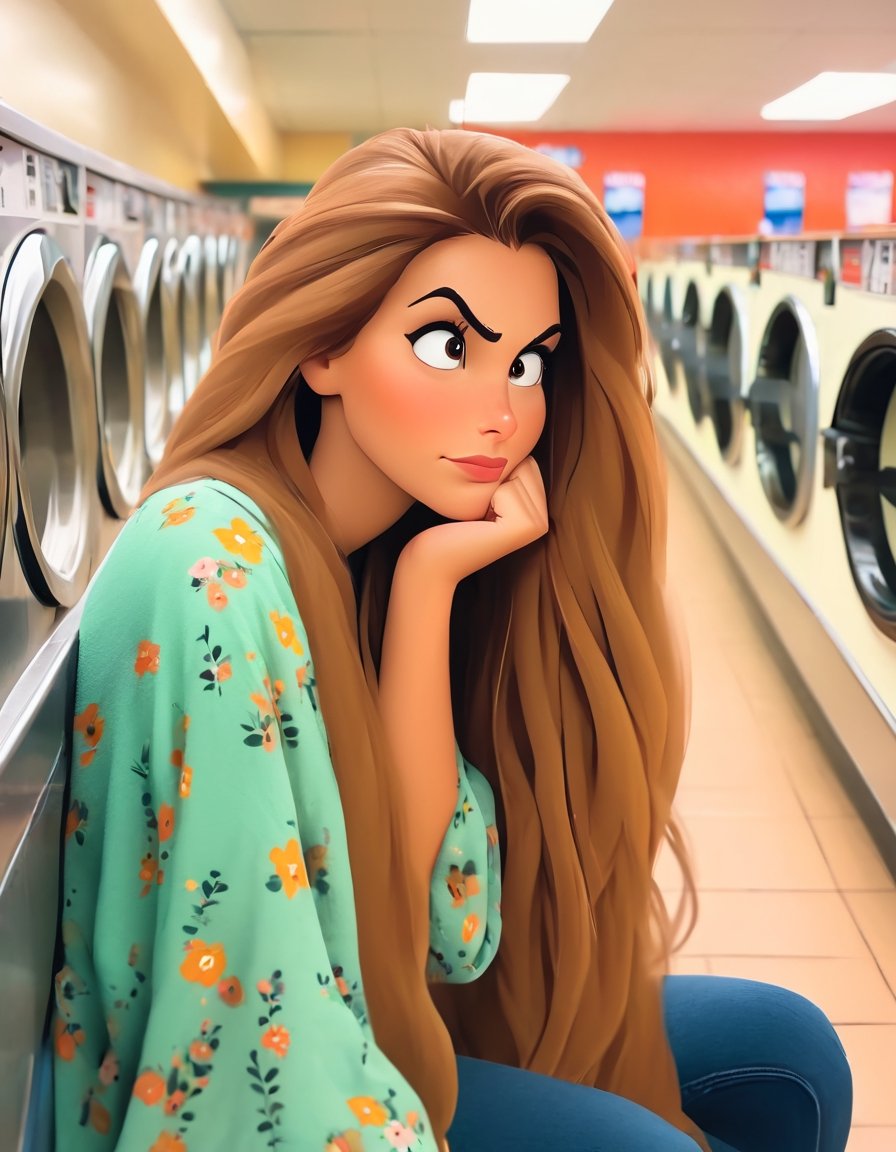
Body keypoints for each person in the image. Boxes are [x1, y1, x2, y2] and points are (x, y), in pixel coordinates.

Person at [53, 128, 851, 1152]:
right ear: (323, 344)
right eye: (448, 346)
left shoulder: (388, 549)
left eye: (528, 363)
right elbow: (251, 1033)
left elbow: (434, 914)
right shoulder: (210, 567)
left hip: (378, 1002)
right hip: (286, 1076)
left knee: (788, 1050)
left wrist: (429, 588)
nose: (502, 413)